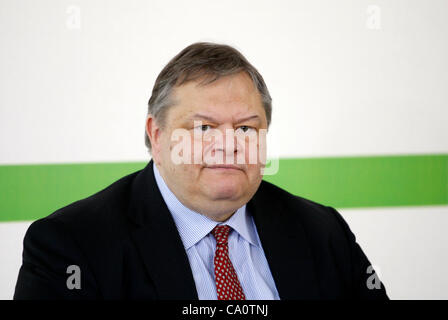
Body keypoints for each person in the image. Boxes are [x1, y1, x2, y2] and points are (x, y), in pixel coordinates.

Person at [14, 42, 388, 300]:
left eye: (245, 128)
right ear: (156, 136)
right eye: (203, 128)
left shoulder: (323, 231)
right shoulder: (70, 246)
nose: (228, 145)